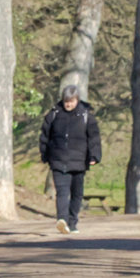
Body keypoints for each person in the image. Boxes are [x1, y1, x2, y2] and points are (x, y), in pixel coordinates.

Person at [38, 81, 101, 233]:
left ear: (77, 100)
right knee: (62, 191)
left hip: (79, 161)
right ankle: (62, 220)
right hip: (58, 160)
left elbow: (94, 138)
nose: (68, 104)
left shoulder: (86, 116)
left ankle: (72, 223)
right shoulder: (54, 114)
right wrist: (45, 155)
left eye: (71, 102)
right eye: (66, 101)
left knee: (77, 194)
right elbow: (44, 136)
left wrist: (94, 156)